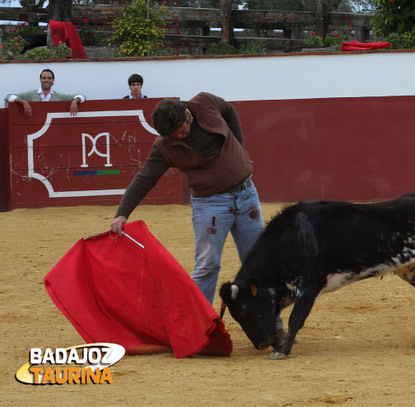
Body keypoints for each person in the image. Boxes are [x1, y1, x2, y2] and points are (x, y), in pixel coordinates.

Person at [109, 93, 287, 340]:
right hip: (210, 205)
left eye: (180, 131)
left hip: (247, 196)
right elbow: (145, 178)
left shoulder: (205, 103)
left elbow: (230, 111)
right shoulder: (164, 145)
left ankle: (274, 326)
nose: (178, 138)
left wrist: (238, 147)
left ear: (187, 114)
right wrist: (122, 214)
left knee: (257, 261)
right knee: (207, 265)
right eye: (172, 136)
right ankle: (196, 330)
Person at [4, 69, 86, 117]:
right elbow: (8, 97)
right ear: (40, 80)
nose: (46, 80)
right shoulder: (30, 94)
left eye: (49, 78)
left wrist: (75, 101)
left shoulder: (59, 96)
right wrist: (23, 102)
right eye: (44, 78)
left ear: (53, 81)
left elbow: (83, 96)